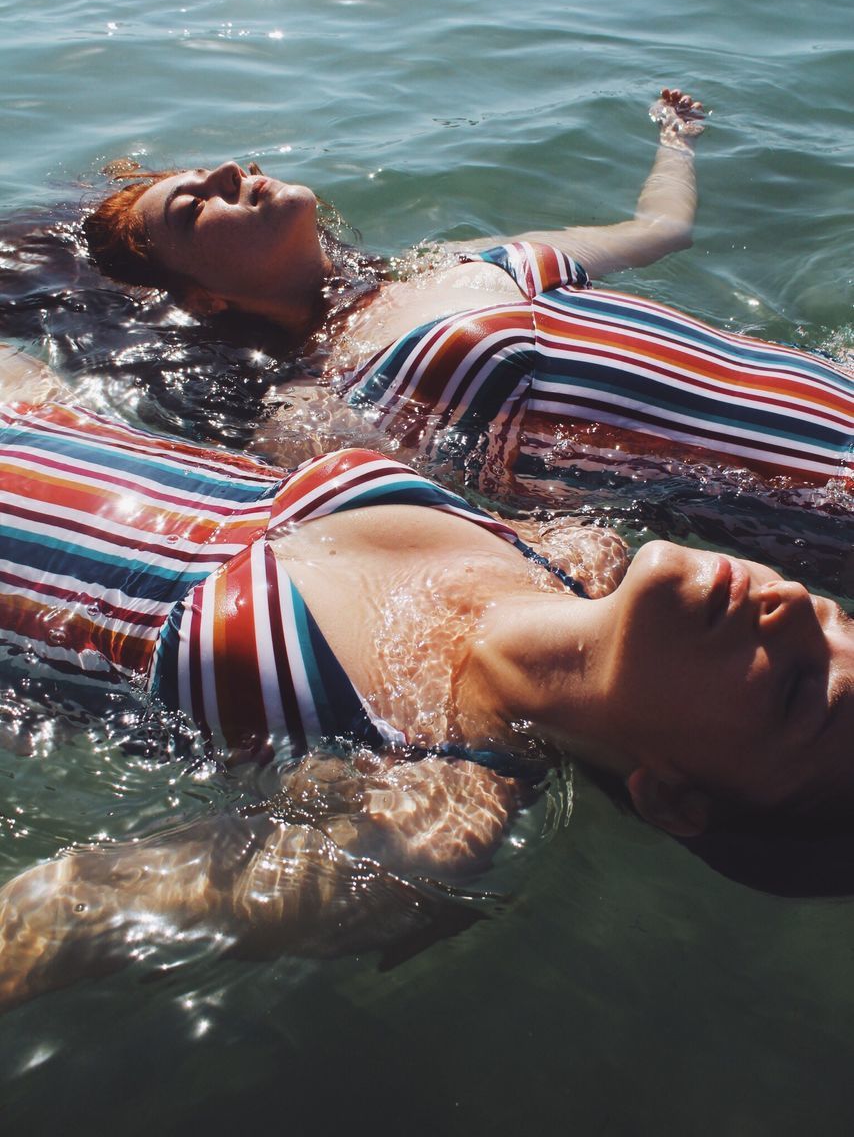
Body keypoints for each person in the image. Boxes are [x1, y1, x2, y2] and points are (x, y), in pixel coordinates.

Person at [0, 341, 852, 1007]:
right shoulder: (572, 553)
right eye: (842, 621)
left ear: (672, 800)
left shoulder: (415, 824)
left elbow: (45, 920)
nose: (800, 614)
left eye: (796, 693)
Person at [81, 91, 853, 530]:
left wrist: (677, 141)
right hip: (817, 498)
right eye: (193, 205)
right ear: (203, 300)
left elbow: (660, 231)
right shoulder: (310, 412)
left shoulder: (458, 257)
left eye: (211, 169)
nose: (227, 169)